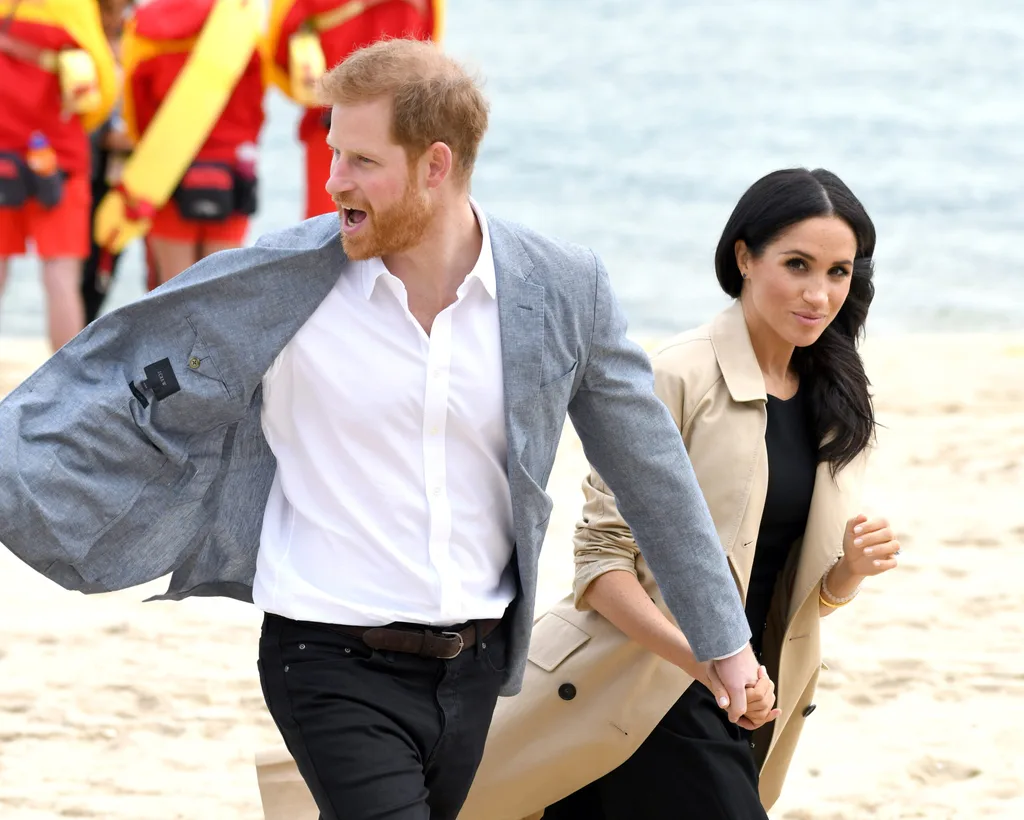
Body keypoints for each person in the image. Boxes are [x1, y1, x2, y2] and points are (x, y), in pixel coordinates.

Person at [0, 39, 763, 820]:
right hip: (324, 656)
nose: (333, 181)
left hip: (478, 667)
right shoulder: (282, 283)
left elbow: (652, 471)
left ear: (436, 165)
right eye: (333, 152)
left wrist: (724, 643)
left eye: (361, 160)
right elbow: (108, 376)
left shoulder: (563, 291)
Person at [457, 168, 902, 820]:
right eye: (798, 264)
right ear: (744, 257)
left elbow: (784, 590)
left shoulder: (836, 399)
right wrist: (709, 663)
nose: (818, 293)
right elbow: (600, 566)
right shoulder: (677, 376)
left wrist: (846, 574)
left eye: (839, 272)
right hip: (644, 682)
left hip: (753, 692)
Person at [0, 0, 117, 349]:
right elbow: (103, 92)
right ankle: (63, 389)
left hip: (3, 151)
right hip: (59, 157)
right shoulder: (74, 10)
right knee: (60, 278)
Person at [122, 0, 265, 284]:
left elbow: (134, 106)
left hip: (167, 166)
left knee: (173, 289)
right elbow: (255, 102)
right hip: (231, 167)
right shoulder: (240, 17)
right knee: (222, 289)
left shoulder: (144, 24)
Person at [264, 0, 440, 219]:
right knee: (396, 229)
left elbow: (280, 53)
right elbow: (430, 55)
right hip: (378, 128)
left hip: (338, 126)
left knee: (330, 235)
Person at [80, 0, 133, 323]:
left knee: (109, 260)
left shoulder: (135, 42)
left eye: (120, 10)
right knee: (89, 263)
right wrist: (103, 135)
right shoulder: (83, 45)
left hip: (132, 169)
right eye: (107, 11)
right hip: (97, 167)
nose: (114, 19)